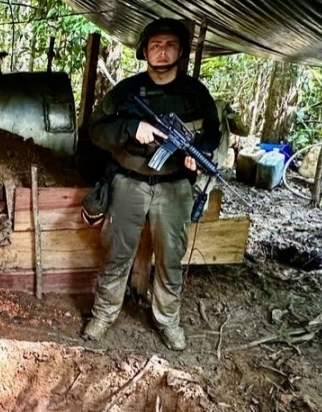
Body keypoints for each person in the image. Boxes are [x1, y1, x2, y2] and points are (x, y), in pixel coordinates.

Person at [83, 18, 221, 349]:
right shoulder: (127, 92)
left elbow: (212, 134)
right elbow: (96, 131)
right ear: (145, 51)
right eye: (155, 45)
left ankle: (167, 320)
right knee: (118, 252)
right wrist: (131, 128)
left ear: (181, 51)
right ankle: (103, 314)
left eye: (169, 45)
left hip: (175, 187)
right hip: (130, 182)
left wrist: (197, 153)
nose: (162, 51)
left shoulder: (196, 94)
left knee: (171, 257)